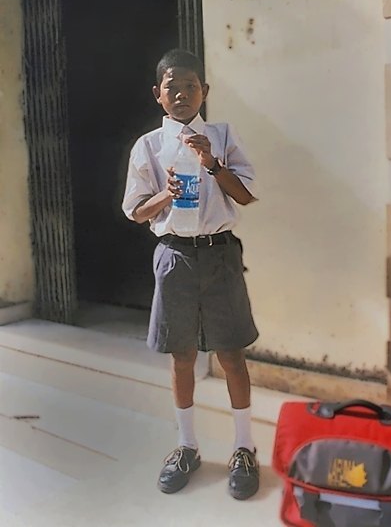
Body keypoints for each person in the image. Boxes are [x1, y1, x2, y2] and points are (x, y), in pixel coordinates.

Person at [122, 48, 259, 500]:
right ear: (157, 94)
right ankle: (187, 446)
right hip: (175, 255)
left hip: (219, 254)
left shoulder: (220, 135)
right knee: (181, 355)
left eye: (190, 86)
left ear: (205, 91)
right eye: (172, 87)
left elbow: (246, 196)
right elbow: (136, 212)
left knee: (231, 352)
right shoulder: (148, 146)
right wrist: (166, 193)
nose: (181, 94)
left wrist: (213, 164)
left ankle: (244, 447)